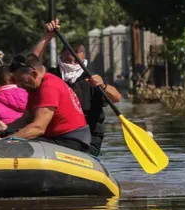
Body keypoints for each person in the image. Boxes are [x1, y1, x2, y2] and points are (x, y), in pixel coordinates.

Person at [31, 19, 122, 156]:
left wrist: (103, 85)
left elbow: (116, 97)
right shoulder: (51, 76)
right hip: (55, 137)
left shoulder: (92, 79)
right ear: (61, 57)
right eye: (68, 61)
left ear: (84, 60)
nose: (72, 64)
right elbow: (33, 62)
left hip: (87, 140)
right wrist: (47, 37)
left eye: (76, 61)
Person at [0, 53, 91, 153]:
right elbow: (26, 118)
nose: (19, 86)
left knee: (18, 146)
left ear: (34, 74)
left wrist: (5, 141)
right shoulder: (34, 87)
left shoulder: (49, 87)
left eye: (21, 81)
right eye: (16, 81)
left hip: (72, 141)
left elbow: (38, 128)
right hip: (55, 138)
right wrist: (6, 128)